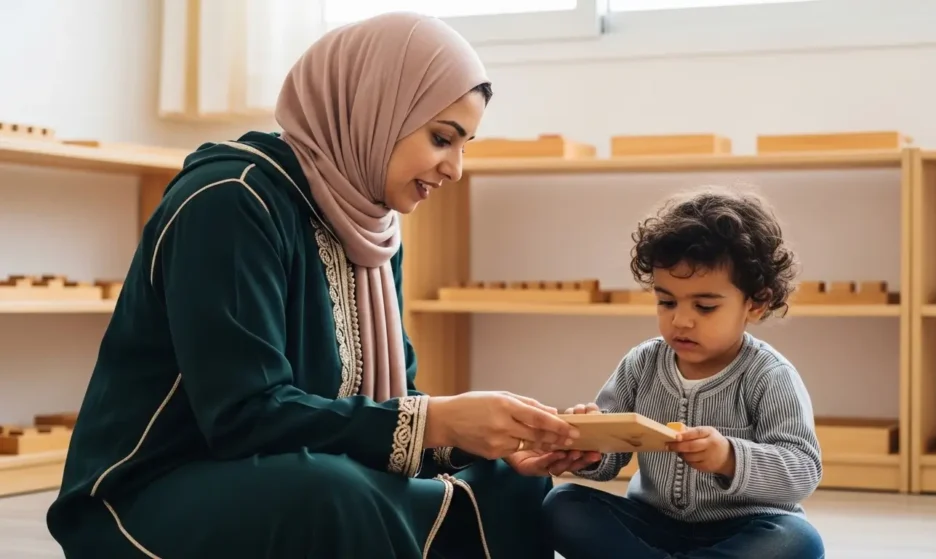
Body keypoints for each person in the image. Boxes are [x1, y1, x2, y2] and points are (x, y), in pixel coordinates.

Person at [46, 12, 600, 559]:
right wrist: (438, 419)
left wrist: (484, 437)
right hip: (151, 490)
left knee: (508, 481)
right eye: (441, 138)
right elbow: (244, 417)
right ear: (372, 107)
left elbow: (385, 406)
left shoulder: (372, 226)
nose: (454, 167)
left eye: (464, 145)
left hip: (298, 466)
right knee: (337, 495)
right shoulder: (230, 200)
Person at [543, 188, 826, 559]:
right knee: (563, 503)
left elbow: (802, 469)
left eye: (705, 306)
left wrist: (729, 457)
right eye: (666, 301)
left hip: (745, 526)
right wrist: (590, 446)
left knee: (798, 540)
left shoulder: (769, 375)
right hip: (652, 524)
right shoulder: (641, 364)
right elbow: (610, 456)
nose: (681, 319)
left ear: (755, 304)